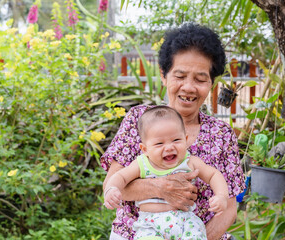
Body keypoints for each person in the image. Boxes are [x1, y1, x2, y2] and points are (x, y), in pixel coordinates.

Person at [101, 22, 245, 240]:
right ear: (163, 75)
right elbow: (113, 185)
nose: (188, 87)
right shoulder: (138, 120)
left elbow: (230, 208)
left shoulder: (222, 134)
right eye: (180, 76)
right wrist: (159, 187)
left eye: (200, 79)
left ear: (211, 84)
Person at [104, 106, 229, 240]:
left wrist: (221, 196)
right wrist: (111, 189)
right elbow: (120, 177)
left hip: (186, 223)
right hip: (150, 226)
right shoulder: (142, 163)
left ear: (186, 140)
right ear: (145, 149)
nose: (169, 147)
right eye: (159, 143)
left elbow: (213, 175)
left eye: (176, 140)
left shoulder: (189, 161)